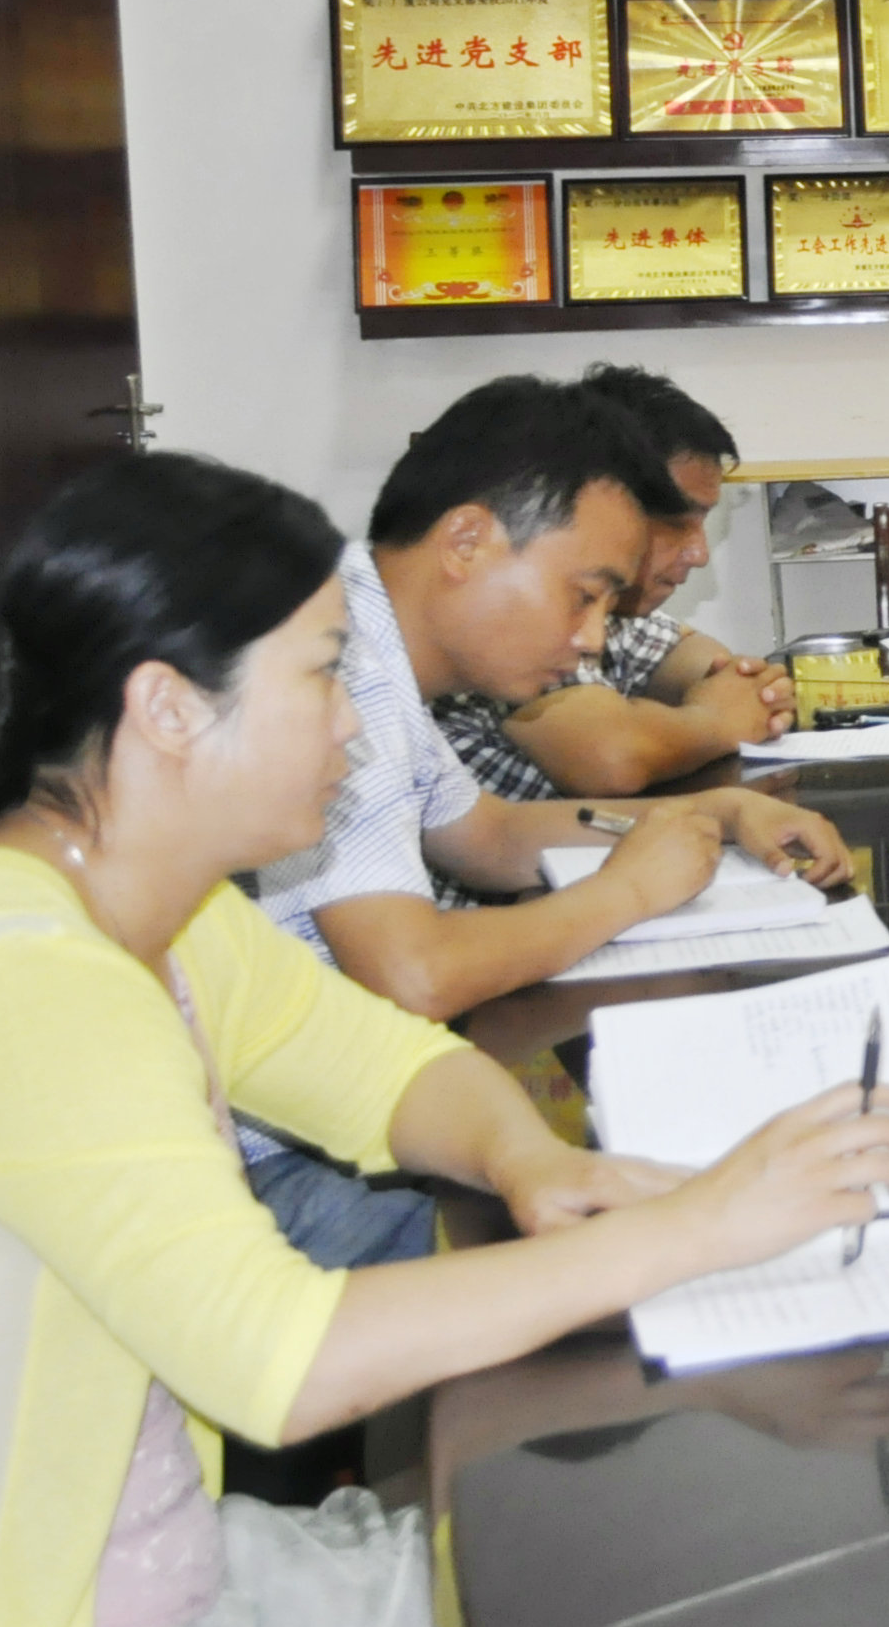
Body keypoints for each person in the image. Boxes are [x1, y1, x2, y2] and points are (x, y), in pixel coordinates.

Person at [0, 452, 889, 1627]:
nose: (352, 721)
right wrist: (698, 1224)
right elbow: (284, 1359)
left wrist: (528, 1160)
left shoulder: (141, 911)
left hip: (135, 1588)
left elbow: (381, 1064)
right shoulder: (18, 986)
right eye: (323, 674)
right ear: (168, 708)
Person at [251, 377, 850, 1263]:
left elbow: (488, 837)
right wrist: (624, 895)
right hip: (277, 1170)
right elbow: (412, 975)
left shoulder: (365, 628)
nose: (595, 640)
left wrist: (715, 810)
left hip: (340, 1119)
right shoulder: (345, 669)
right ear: (466, 542)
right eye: (583, 595)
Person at [431, 364, 795, 800]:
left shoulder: (611, 613)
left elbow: (710, 665)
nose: (699, 554)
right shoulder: (507, 606)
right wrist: (715, 722)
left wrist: (743, 696)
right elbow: (612, 759)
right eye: (675, 521)